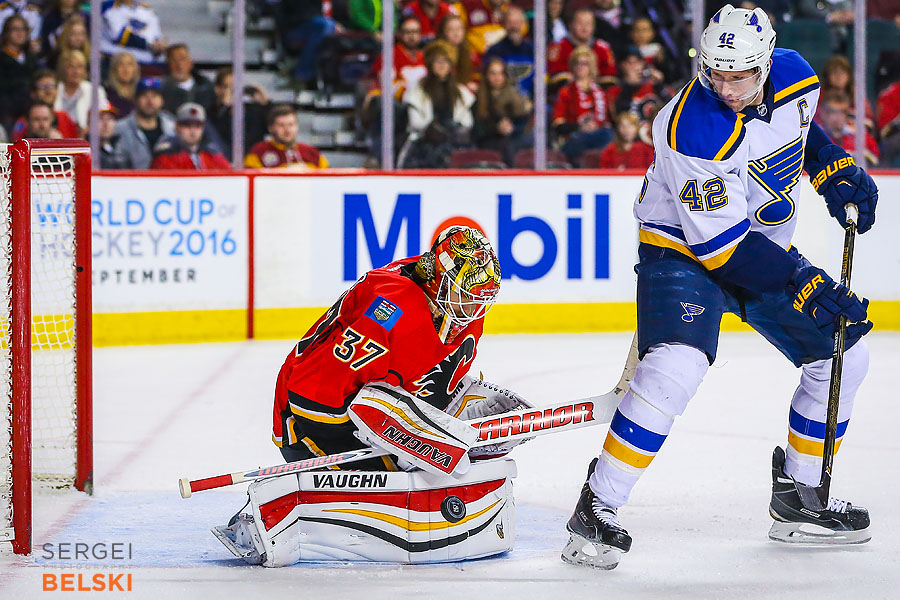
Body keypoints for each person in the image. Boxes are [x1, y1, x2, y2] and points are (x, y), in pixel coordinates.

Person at [563, 5, 878, 570]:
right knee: (675, 368)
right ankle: (597, 506)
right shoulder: (692, 126)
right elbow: (722, 250)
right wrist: (803, 281)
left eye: (740, 75)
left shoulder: (797, 72)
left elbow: (802, 127)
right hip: (683, 249)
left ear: (765, 64)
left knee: (844, 356)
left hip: (758, 246)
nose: (727, 87)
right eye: (716, 73)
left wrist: (831, 165)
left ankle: (800, 496)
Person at [213, 226, 527, 566]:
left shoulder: (447, 302)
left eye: (481, 298)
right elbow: (312, 394)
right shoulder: (389, 309)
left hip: (377, 406)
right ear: (440, 277)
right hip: (310, 417)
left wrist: (439, 422)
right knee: (402, 478)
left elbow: (429, 381)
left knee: (433, 467)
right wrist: (390, 441)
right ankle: (283, 509)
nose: (474, 307)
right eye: (467, 295)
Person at [402, 44, 475, 168]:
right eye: (438, 62)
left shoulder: (460, 92)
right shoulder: (417, 91)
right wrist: (431, 129)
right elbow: (415, 122)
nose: (442, 66)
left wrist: (457, 130)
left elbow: (467, 121)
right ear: (430, 65)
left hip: (455, 142)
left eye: (445, 62)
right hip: (424, 143)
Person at [552, 46, 613, 166]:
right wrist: (580, 127)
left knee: (608, 135)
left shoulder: (600, 92)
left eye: (585, 63)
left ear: (591, 67)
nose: (580, 67)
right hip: (574, 138)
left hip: (598, 135)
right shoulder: (566, 91)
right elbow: (558, 124)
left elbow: (606, 121)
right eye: (577, 63)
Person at [473, 56, 532, 165]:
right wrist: (497, 128)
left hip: (514, 138)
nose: (497, 77)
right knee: (504, 146)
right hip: (490, 140)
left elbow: (523, 122)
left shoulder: (514, 96)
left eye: (500, 73)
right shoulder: (479, 99)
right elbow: (477, 129)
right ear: (486, 76)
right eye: (493, 73)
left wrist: (512, 127)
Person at [206, 66, 270, 159]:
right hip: (223, 162)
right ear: (217, 89)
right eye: (229, 87)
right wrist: (225, 108)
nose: (233, 92)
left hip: (252, 163)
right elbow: (218, 139)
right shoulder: (210, 113)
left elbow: (271, 128)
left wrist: (266, 104)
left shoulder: (252, 111)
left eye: (237, 87)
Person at [113, 76, 175, 169]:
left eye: (154, 96)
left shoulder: (172, 127)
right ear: (136, 100)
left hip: (167, 181)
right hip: (130, 181)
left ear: (162, 100)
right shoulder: (120, 128)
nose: (150, 101)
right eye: (144, 96)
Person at [244, 104, 328, 170]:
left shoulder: (312, 152)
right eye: (281, 125)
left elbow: (329, 181)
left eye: (291, 125)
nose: (287, 130)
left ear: (297, 127)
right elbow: (251, 183)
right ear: (270, 128)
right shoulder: (259, 151)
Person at [150, 102, 230, 170]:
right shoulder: (165, 157)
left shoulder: (212, 155)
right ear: (176, 126)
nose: (193, 131)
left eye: (197, 126)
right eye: (187, 125)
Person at [548, 8, 617, 87]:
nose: (584, 28)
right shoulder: (558, 47)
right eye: (580, 23)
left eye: (588, 24)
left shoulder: (603, 48)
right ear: (571, 25)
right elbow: (555, 77)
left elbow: (610, 78)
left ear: (593, 27)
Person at [9, 69, 79, 141]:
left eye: (52, 86)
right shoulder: (23, 122)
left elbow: (77, 148)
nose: (48, 91)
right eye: (42, 86)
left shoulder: (65, 118)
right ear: (33, 93)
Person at [818, 92, 880, 167]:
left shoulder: (860, 136)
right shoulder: (816, 137)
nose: (838, 117)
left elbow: (876, 163)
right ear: (824, 113)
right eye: (833, 112)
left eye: (842, 112)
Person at [483, 6, 534, 97]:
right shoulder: (494, 51)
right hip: (501, 100)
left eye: (517, 22)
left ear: (523, 24)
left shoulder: (533, 50)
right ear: (504, 25)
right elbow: (486, 79)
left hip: (530, 99)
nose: (513, 26)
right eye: (510, 22)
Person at [54, 50, 108, 132]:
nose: (76, 72)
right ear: (63, 69)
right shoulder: (54, 89)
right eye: (71, 67)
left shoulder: (96, 91)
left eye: (80, 67)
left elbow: (105, 117)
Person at [0, 15, 38, 130]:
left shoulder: (31, 58)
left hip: (29, 112)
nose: (20, 33)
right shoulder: (1, 58)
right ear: (6, 32)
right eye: (15, 29)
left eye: (23, 29)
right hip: (6, 113)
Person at [100, 0, 167, 64]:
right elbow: (121, 37)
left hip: (148, 64)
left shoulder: (146, 10)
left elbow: (157, 36)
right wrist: (149, 45)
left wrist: (160, 45)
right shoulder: (107, 7)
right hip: (115, 62)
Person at [161, 43, 216, 115]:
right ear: (168, 64)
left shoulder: (206, 86)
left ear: (191, 62)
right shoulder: (162, 89)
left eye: (182, 59)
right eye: (174, 60)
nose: (179, 64)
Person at [104, 51, 139, 117]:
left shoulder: (140, 93)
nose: (126, 69)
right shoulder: (106, 93)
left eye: (130, 64)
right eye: (121, 65)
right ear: (114, 69)